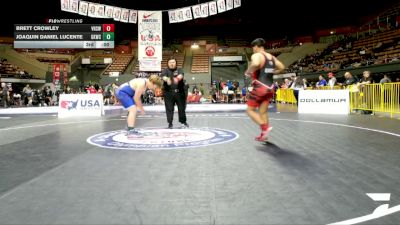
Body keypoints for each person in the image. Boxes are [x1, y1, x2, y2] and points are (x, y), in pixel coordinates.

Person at [244, 38, 285, 142]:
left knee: (250, 110)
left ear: (256, 46)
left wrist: (248, 71)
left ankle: (265, 128)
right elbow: (282, 67)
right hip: (270, 88)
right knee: (263, 112)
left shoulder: (257, 55)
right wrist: (271, 72)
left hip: (260, 87)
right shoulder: (271, 57)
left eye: (253, 47)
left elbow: (256, 64)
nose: (253, 50)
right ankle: (264, 136)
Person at [161, 57, 189, 129]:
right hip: (168, 93)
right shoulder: (165, 70)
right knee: (169, 108)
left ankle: (183, 122)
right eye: (170, 62)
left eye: (173, 62)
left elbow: (181, 75)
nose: (172, 64)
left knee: (181, 108)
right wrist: (167, 79)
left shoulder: (179, 69)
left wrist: (177, 78)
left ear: (176, 63)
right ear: (168, 63)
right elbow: (163, 77)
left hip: (179, 92)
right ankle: (170, 123)